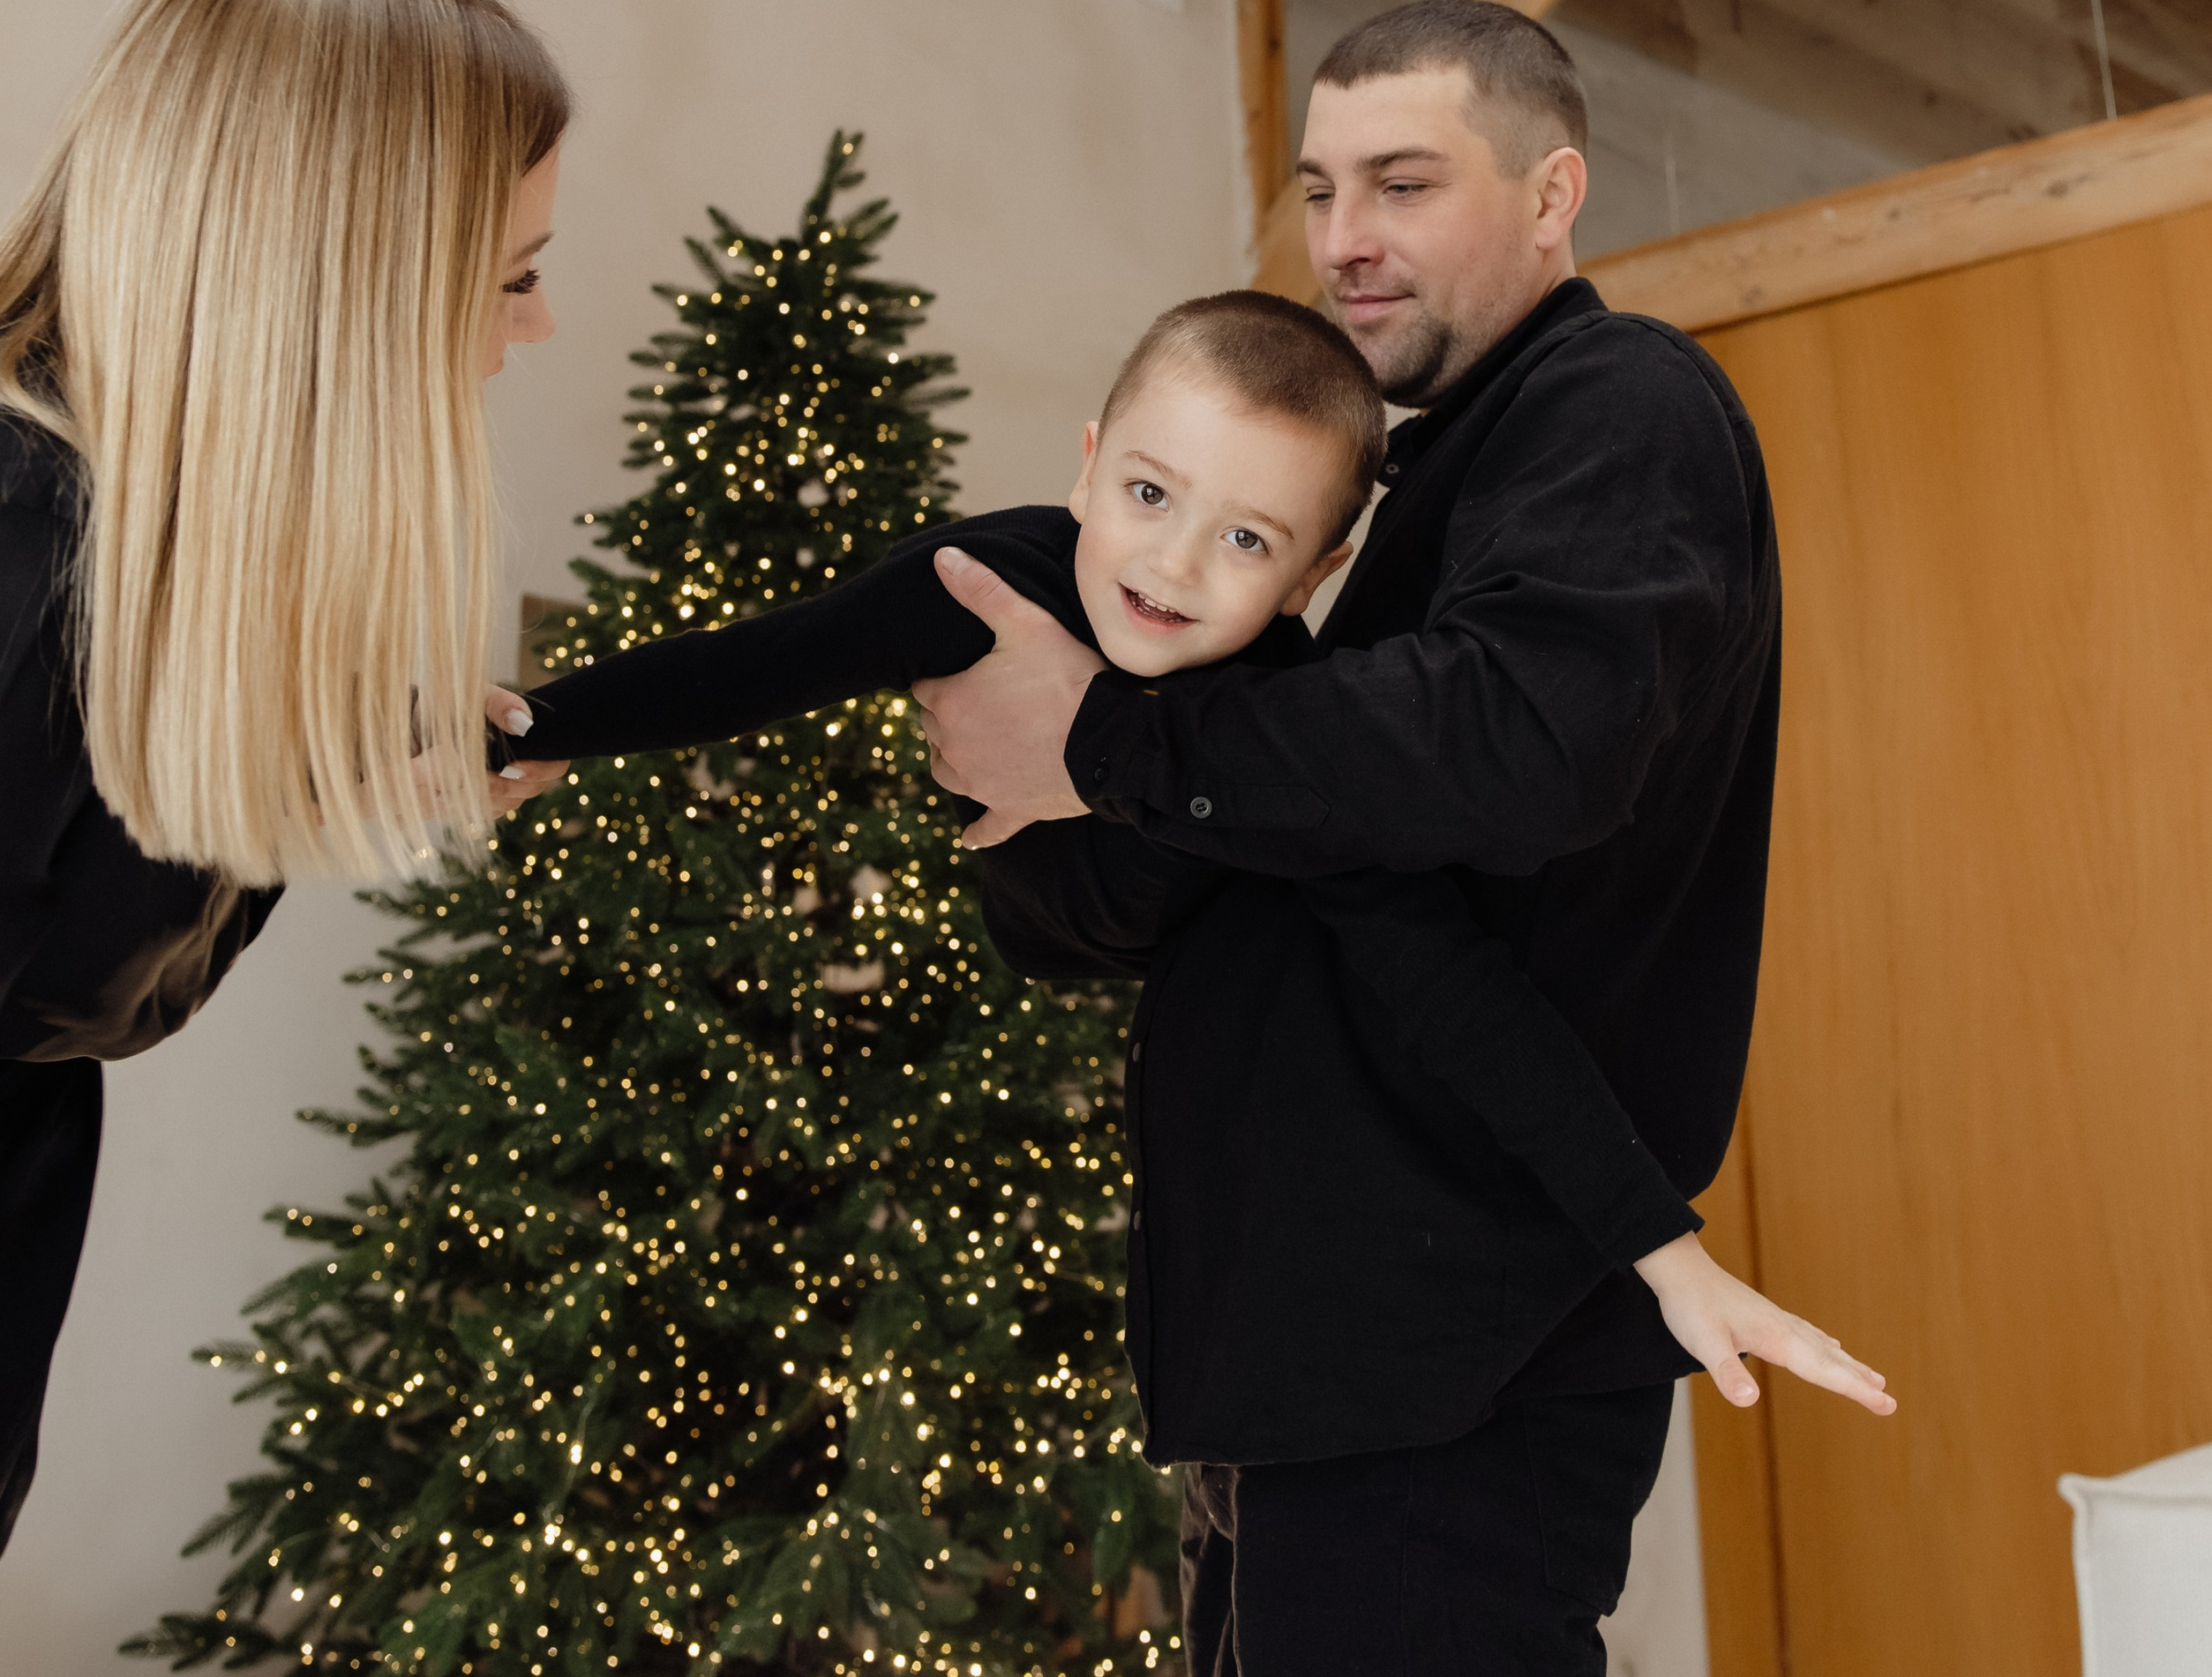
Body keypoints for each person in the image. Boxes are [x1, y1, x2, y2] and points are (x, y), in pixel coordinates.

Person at [911, 0, 1856, 1677]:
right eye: (1319, 187)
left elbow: (1511, 747)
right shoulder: (1369, 496)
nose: (1344, 235)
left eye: (1403, 184)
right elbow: (1205, 881)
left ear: (1550, 193)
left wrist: (1107, 743)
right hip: (1317, 1361)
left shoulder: (1618, 415)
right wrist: (1065, 795)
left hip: (1462, 1363)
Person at [502, 290, 1882, 1413]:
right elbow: (768, 658)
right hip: (1047, 904)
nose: (1171, 570)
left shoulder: (1281, 730)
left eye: (1245, 539)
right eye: (1150, 496)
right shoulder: (1007, 576)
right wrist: (549, 726)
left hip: (1197, 976)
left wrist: (1667, 1252)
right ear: (1091, 460)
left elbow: (1455, 987)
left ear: (1316, 572)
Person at [0, 0, 568, 1677]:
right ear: (341, 272)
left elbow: (67, 997)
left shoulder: (106, 554)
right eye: (505, 274)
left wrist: (349, 796)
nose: (533, 333)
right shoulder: (16, 536)